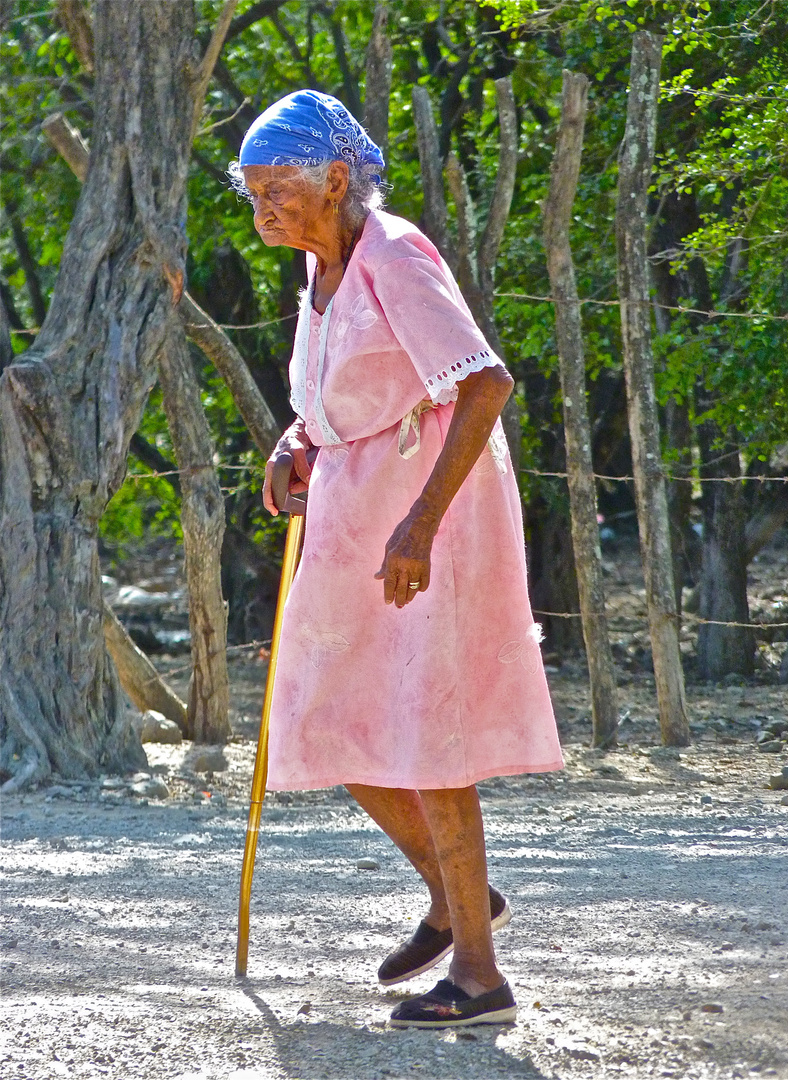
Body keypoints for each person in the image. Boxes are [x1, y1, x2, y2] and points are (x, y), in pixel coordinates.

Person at [228, 89, 563, 1028]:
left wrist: (417, 527)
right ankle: (461, 903)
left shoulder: (395, 253)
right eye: (251, 194)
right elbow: (339, 391)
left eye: (276, 191)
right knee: (323, 708)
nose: (262, 210)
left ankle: (480, 975)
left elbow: (484, 383)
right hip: (351, 503)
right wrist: (296, 441)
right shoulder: (319, 271)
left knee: (427, 726)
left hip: (429, 511)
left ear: (336, 180)